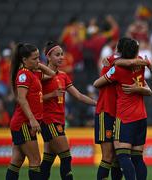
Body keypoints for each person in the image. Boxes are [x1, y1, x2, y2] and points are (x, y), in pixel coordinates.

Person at [94, 39, 152, 180]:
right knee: (130, 157)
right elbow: (149, 90)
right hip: (131, 114)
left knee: (119, 156)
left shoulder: (117, 66)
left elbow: (97, 83)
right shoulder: (140, 63)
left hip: (124, 115)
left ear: (120, 50)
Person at [40, 41, 97, 180]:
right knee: (66, 157)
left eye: (62, 54)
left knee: (48, 160)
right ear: (48, 57)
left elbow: (78, 95)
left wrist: (97, 103)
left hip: (59, 120)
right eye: (57, 55)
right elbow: (35, 98)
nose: (61, 57)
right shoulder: (41, 76)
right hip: (49, 121)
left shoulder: (63, 76)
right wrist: (52, 95)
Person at [6, 43, 55, 180]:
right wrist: (33, 120)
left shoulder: (33, 73)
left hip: (22, 123)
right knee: (35, 160)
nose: (38, 61)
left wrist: (37, 64)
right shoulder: (23, 75)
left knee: (16, 161)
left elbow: (52, 73)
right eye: (34, 58)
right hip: (24, 123)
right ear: (24, 60)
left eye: (39, 57)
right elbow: (21, 99)